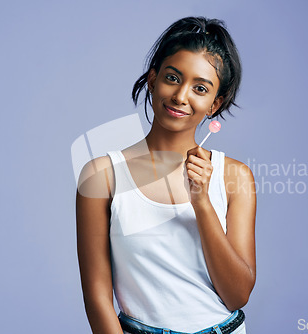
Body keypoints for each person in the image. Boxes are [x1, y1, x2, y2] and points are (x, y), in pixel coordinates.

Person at [76, 16, 256, 334]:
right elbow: (98, 297)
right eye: (173, 78)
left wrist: (202, 203)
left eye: (200, 88)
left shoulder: (235, 177)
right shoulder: (102, 176)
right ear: (153, 78)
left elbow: (237, 294)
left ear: (215, 104)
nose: (181, 96)